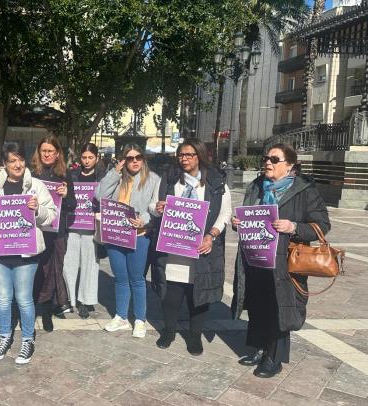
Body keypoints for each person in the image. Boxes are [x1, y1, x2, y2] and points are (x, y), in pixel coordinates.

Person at [232, 143, 330, 378]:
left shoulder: (304, 190)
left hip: (285, 263)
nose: (268, 162)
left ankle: (273, 358)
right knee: (257, 304)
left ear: (290, 165)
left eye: (274, 160)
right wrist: (238, 223)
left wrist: (293, 227)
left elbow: (322, 225)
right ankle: (257, 347)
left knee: (280, 307)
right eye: (266, 158)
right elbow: (249, 215)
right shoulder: (257, 186)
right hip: (255, 257)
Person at [0, 141, 57, 364]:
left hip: (26, 252)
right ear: (5, 163)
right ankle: (4, 336)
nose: (18, 164)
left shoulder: (36, 185)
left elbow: (51, 214)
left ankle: (27, 340)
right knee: (2, 299)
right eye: (12, 161)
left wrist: (38, 209)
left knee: (23, 299)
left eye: (20, 159)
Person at [151, 138, 231, 355]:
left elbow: (225, 212)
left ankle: (195, 336)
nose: (184, 159)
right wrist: (158, 208)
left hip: (201, 248)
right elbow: (152, 204)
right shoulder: (170, 179)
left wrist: (211, 235)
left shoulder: (215, 181)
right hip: (174, 249)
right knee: (171, 294)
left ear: (199, 156)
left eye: (189, 155)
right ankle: (168, 331)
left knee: (199, 296)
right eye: (181, 155)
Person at [96, 144, 160, 337]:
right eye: (130, 158)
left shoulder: (153, 179)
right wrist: (115, 172)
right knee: (120, 278)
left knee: (137, 279)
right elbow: (99, 196)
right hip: (116, 234)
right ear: (123, 160)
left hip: (139, 235)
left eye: (138, 157)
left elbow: (155, 206)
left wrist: (145, 221)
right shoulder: (117, 177)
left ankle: (140, 319)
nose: (134, 161)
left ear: (143, 158)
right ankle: (121, 316)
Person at [30, 135, 76, 332]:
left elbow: (73, 205)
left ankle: (47, 309)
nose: (47, 154)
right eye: (44, 151)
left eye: (50, 151)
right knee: (34, 270)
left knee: (52, 270)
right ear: (39, 153)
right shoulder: (31, 175)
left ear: (57, 154)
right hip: (34, 229)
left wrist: (66, 197)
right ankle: (31, 308)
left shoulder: (65, 176)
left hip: (56, 231)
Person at [63, 143, 106, 319]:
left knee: (90, 265)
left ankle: (85, 300)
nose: (87, 161)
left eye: (90, 157)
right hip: (72, 226)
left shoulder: (102, 177)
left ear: (96, 158)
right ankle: (70, 298)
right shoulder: (72, 175)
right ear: (79, 158)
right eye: (84, 157)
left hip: (91, 228)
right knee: (69, 264)